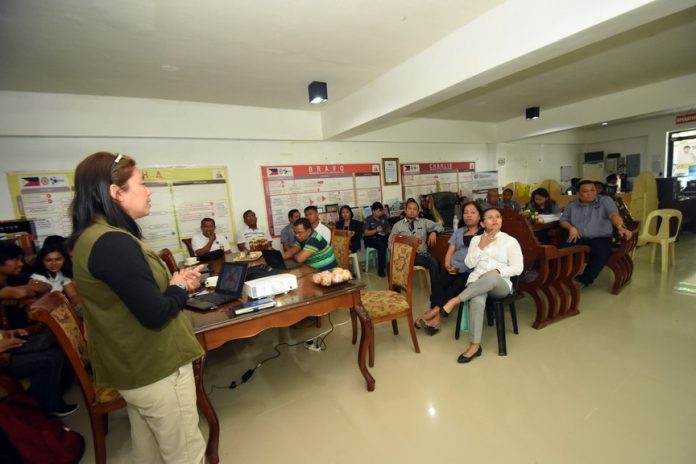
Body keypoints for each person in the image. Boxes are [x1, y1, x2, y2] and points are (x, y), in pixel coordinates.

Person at [68, 152, 206, 463]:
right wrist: (180, 287)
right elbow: (155, 313)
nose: (148, 191)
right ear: (116, 193)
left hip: (134, 368)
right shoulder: (113, 243)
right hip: (157, 366)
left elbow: (133, 294)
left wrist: (172, 283)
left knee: (148, 449)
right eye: (141, 183)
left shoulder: (93, 237)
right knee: (184, 451)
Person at [418, 207, 523, 363]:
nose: (494, 219)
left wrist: (498, 270)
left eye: (497, 216)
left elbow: (518, 268)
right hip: (476, 283)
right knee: (477, 300)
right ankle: (475, 346)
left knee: (491, 276)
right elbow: (468, 263)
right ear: (483, 223)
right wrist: (481, 245)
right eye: (490, 217)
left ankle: (454, 301)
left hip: (499, 284)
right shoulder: (476, 240)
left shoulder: (510, 241)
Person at [417, 201, 483, 335]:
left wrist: (460, 269)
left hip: (470, 270)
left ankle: (433, 314)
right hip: (453, 266)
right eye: (466, 212)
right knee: (438, 281)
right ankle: (436, 318)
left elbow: (479, 259)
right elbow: (450, 250)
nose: (468, 215)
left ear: (480, 216)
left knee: (456, 286)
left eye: (473, 212)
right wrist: (447, 264)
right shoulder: (459, 231)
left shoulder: (483, 235)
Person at [559, 180, 633, 288]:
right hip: (579, 236)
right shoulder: (572, 204)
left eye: (592, 190)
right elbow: (563, 220)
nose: (590, 193)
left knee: (601, 253)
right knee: (562, 250)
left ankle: (584, 280)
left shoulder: (605, 201)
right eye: (585, 191)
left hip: (600, 237)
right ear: (578, 193)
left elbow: (613, 215)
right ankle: (560, 278)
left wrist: (620, 227)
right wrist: (571, 227)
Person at [389, 198, 443, 282]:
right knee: (434, 262)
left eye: (415, 209)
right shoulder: (397, 225)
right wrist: (399, 253)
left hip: (421, 254)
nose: (412, 211)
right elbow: (390, 243)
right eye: (410, 208)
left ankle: (436, 291)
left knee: (436, 262)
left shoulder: (423, 222)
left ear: (418, 212)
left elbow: (440, 226)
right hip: (405, 256)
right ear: (405, 211)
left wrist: (434, 232)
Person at [0, 242, 51, 329]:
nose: (21, 263)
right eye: (15, 259)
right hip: (11, 335)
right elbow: (21, 293)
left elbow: (46, 286)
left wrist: (17, 292)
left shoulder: (14, 278)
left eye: (21, 259)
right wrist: (25, 292)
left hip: (30, 328)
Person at [30, 236, 81, 308]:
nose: (54, 264)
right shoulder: (38, 278)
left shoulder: (60, 274)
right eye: (48, 260)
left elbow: (73, 295)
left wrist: (79, 305)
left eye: (58, 259)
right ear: (42, 261)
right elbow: (48, 303)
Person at [363, 201, 390, 277]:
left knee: (390, 243)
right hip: (371, 239)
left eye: (381, 211)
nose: (380, 213)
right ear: (373, 211)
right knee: (382, 246)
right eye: (378, 211)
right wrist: (376, 230)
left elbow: (388, 229)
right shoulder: (368, 219)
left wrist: (384, 230)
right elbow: (366, 233)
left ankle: (391, 266)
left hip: (383, 237)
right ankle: (381, 270)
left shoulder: (383, 217)